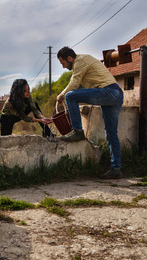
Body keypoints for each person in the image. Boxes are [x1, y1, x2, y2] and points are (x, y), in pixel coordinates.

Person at [55, 46, 124, 179]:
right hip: (116, 95)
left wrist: (61, 95)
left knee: (70, 96)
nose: (63, 67)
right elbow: (80, 85)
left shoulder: (80, 60)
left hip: (107, 92)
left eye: (63, 63)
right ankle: (116, 169)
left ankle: (78, 131)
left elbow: (74, 83)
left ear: (70, 58)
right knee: (111, 134)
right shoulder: (84, 61)